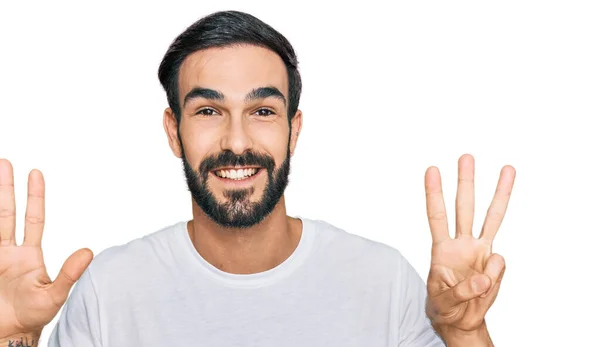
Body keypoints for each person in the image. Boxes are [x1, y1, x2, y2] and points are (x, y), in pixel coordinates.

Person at [0, 10, 515, 347]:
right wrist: (13, 337)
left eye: (262, 111)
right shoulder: (108, 291)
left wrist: (463, 332)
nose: (238, 141)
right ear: (173, 131)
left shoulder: (381, 281)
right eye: (207, 111)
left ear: (294, 129)